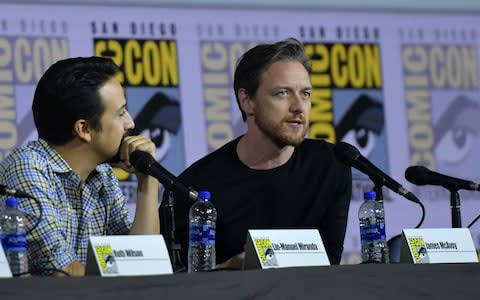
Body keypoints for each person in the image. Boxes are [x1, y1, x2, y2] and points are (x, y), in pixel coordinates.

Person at [163, 38, 352, 269]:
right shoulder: (195, 187)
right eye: (283, 93)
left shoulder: (330, 164)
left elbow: (329, 264)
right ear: (247, 101)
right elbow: (176, 281)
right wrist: (232, 267)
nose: (299, 106)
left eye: (305, 94)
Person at [0, 57, 160, 276]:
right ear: (84, 129)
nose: (130, 123)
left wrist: (147, 180)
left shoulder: (102, 174)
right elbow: (63, 273)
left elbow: (143, 262)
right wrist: (125, 273)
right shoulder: (28, 169)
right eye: (121, 113)